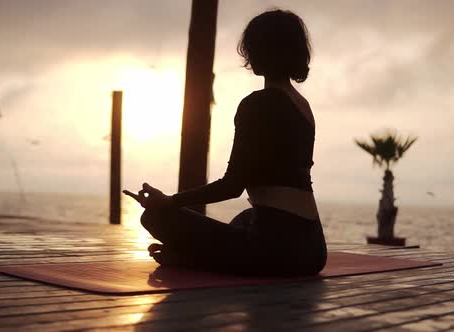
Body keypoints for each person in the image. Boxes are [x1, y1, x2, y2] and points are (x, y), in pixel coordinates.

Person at [123, 9, 327, 276]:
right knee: (247, 218)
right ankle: (201, 255)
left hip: (278, 253)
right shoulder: (304, 108)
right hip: (312, 251)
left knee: (154, 217)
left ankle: (191, 258)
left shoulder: (256, 104)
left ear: (260, 50)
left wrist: (170, 201)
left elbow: (232, 186)